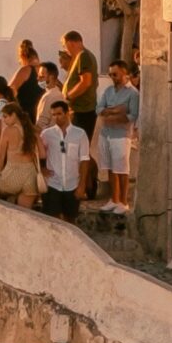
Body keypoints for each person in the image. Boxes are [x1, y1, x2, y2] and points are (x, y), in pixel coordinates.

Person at [95, 61, 138, 212]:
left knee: (122, 169)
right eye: (111, 74)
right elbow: (99, 108)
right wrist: (114, 111)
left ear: (124, 73)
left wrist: (113, 113)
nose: (113, 77)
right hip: (106, 133)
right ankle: (114, 199)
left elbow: (132, 114)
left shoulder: (132, 93)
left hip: (121, 135)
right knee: (110, 168)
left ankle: (123, 202)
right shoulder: (108, 91)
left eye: (115, 74)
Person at [38, 100, 91, 223]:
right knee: (51, 220)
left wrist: (82, 185)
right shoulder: (47, 134)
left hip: (72, 183)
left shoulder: (80, 134)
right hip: (53, 183)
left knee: (70, 220)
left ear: (67, 113)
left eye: (59, 114)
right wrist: (41, 168)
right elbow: (38, 152)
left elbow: (84, 160)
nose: (56, 117)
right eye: (54, 115)